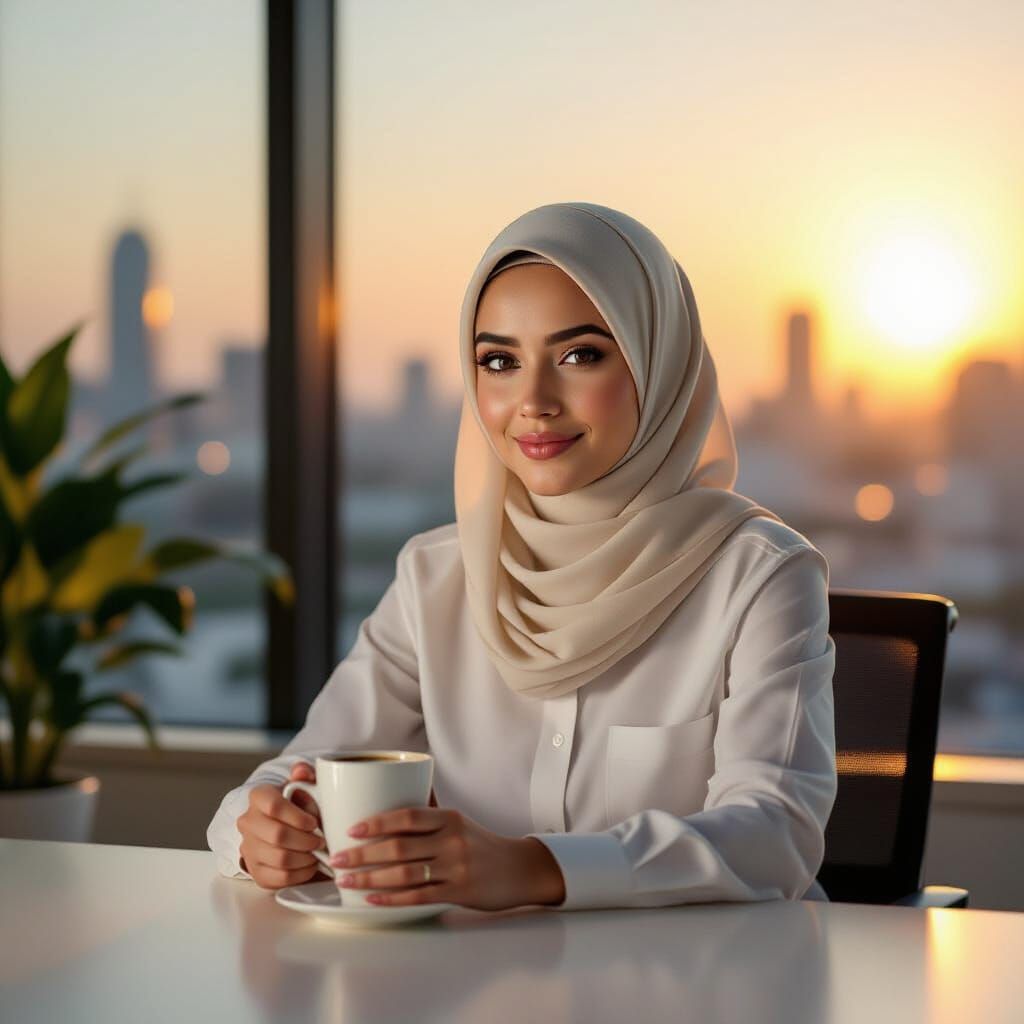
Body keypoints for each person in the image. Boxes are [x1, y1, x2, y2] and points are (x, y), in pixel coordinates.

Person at [206, 201, 837, 911]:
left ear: (660, 365)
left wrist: (534, 869)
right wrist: (264, 831)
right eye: (499, 362)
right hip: (482, 968)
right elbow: (294, 771)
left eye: (580, 355)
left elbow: (776, 833)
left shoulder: (760, 575)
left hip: (718, 970)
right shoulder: (435, 577)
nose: (533, 401)